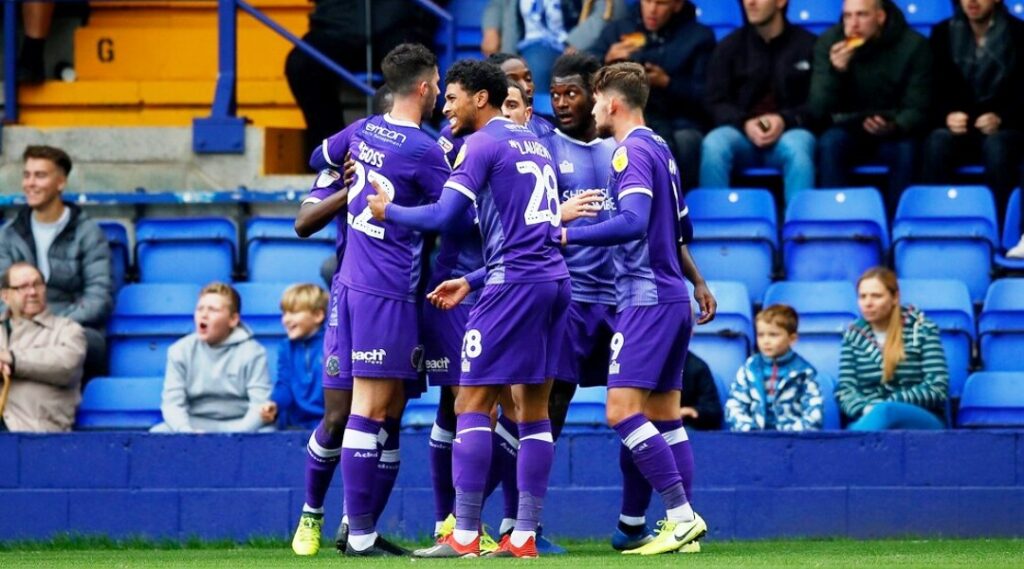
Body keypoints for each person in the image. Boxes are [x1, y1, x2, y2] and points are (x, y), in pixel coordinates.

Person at [367, 58, 571, 559]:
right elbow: (535, 235)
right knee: (534, 411)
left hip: (510, 288)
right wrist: (470, 279)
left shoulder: (480, 144)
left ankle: (463, 535)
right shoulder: (535, 142)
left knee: (471, 404)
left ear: (481, 98)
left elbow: (444, 214)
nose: (446, 107)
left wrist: (388, 211)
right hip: (552, 282)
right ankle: (524, 535)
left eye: (453, 98)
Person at [297, 43, 450, 558]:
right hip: (387, 288)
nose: (439, 93)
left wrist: (349, 173)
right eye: (437, 85)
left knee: (380, 409)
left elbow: (318, 157)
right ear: (424, 87)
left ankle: (356, 529)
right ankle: (359, 535)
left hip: (349, 283)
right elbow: (456, 212)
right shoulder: (425, 150)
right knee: (371, 409)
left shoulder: (361, 130)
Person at [561, 62, 716, 555]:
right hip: (671, 297)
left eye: (595, 100)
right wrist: (697, 281)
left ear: (613, 102)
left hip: (644, 298)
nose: (593, 109)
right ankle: (677, 530)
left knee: (621, 411)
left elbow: (632, 222)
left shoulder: (630, 152)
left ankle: (681, 517)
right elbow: (682, 230)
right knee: (665, 417)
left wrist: (567, 234)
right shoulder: (662, 149)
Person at [0, 145, 112, 381]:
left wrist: (53, 325)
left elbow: (98, 298)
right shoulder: (9, 234)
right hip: (17, 324)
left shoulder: (87, 233)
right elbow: (2, 295)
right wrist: (23, 325)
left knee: (87, 343)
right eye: (27, 175)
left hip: (68, 326)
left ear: (61, 182)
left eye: (40, 175)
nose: (30, 183)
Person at [809, 0, 932, 214]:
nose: (853, 24)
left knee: (907, 149)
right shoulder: (830, 42)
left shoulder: (913, 45)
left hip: (896, 129)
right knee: (830, 143)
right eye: (847, 16)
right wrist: (835, 72)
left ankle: (900, 223)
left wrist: (896, 125)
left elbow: (920, 106)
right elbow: (818, 109)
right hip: (850, 127)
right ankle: (836, 220)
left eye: (862, 15)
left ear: (880, 17)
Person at [587, 0, 715, 190]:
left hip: (678, 121)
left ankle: (675, 201)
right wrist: (605, 60)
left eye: (661, 3)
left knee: (684, 143)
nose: (652, 10)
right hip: (622, 118)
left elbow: (707, 96)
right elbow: (583, 78)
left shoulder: (698, 37)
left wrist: (668, 83)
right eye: (647, 1)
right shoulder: (617, 30)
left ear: (677, 5)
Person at [284, 0, 438, 159]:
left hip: (399, 26)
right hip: (336, 26)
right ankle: (333, 154)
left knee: (411, 66)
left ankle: (412, 153)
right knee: (302, 63)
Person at [924, 0, 1024, 241]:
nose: (971, 1)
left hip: (1007, 128)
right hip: (960, 128)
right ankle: (939, 228)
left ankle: (1001, 230)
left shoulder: (1019, 34)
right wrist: (946, 116)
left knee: (997, 146)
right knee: (938, 141)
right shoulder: (942, 33)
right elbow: (930, 90)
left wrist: (1002, 118)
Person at [700, 0, 817, 203]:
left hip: (790, 132)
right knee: (714, 144)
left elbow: (818, 104)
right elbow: (714, 101)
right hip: (741, 134)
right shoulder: (729, 46)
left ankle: (799, 222)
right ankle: (715, 219)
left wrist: (784, 120)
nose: (750, 3)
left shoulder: (809, 45)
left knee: (798, 147)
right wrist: (744, 123)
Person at [150, 283, 274, 434]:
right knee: (159, 433)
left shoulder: (254, 352)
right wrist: (186, 431)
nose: (203, 315)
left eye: (213, 310)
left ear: (233, 319)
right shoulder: (179, 351)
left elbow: (260, 406)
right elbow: (172, 404)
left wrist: (238, 436)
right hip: (195, 423)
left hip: (239, 423)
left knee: (268, 433)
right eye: (199, 309)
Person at [836, 267, 949, 431]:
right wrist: (866, 408)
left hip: (922, 418)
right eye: (862, 296)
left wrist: (890, 403)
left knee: (885, 412)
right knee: (875, 417)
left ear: (895, 297)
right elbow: (845, 390)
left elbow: (937, 387)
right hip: (868, 416)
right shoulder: (852, 335)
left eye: (876, 296)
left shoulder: (923, 329)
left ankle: (851, 444)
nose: (868, 303)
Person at [0, 262, 86, 432]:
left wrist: (12, 359)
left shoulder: (67, 329)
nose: (32, 292)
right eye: (23, 287)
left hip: (37, 433)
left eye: (37, 284)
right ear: (5, 296)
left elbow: (66, 365)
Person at [725, 304, 822, 432]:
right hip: (754, 437)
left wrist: (791, 433)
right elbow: (734, 405)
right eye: (761, 335)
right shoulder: (750, 368)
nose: (766, 341)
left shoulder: (804, 372)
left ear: (792, 339)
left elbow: (814, 413)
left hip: (792, 439)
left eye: (773, 335)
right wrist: (749, 429)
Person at [260, 284, 329, 430]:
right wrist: (275, 404)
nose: (286, 319)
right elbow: (284, 384)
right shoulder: (286, 347)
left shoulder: (333, 346)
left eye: (294, 312)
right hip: (294, 426)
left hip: (328, 425)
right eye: (284, 313)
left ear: (318, 315)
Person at [680, 351, 723, 431]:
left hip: (687, 427)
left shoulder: (698, 367)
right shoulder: (654, 364)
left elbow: (713, 412)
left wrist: (690, 411)